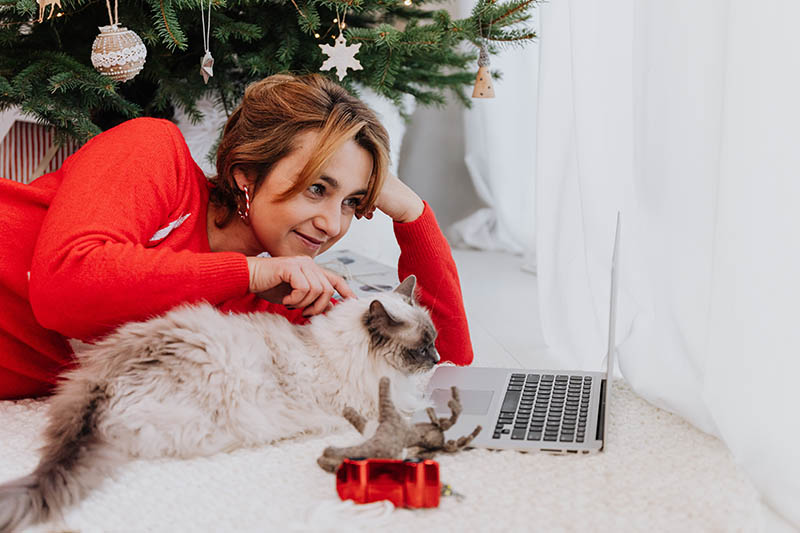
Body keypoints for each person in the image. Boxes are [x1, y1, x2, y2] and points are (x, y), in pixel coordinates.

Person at [0, 73, 474, 401]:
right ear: (246, 174)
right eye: (317, 188)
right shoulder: (151, 151)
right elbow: (66, 286)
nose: (333, 224)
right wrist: (248, 271)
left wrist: (413, 215)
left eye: (352, 201)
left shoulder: (278, 296)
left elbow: (437, 364)